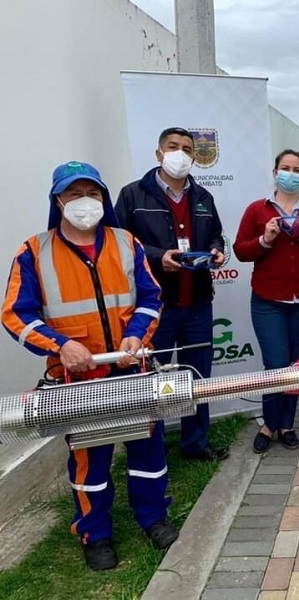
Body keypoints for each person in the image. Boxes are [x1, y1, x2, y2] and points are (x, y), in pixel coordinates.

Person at [2, 161, 177, 570]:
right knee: (89, 461)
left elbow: (151, 298)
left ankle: (153, 517)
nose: (85, 201)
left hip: (131, 368)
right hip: (77, 378)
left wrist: (137, 335)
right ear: (58, 201)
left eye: (93, 193)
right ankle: (94, 533)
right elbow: (15, 315)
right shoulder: (34, 252)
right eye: (75, 194)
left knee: (147, 449)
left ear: (104, 198)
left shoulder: (126, 243)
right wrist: (61, 345)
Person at [115, 127, 229, 462]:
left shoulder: (203, 197)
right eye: (173, 147)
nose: (180, 154)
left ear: (194, 157)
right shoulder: (133, 195)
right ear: (159, 153)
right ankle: (152, 445)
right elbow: (119, 245)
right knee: (151, 377)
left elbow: (217, 234)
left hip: (198, 303)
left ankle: (196, 443)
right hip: (156, 307)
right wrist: (157, 257)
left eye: (187, 149)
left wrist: (216, 250)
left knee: (198, 376)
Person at [233, 149, 299, 454]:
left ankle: (286, 424)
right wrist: (265, 239)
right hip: (268, 301)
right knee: (275, 364)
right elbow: (240, 251)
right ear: (275, 173)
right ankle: (269, 424)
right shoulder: (257, 211)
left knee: (297, 365)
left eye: (297, 169)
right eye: (285, 168)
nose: (291, 173)